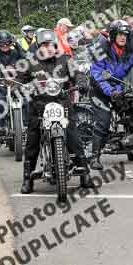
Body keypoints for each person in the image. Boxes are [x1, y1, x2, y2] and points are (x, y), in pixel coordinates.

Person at [17, 29, 88, 194]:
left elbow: (78, 74)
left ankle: (85, 174)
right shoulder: (30, 62)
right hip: (39, 106)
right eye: (44, 45)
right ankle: (27, 178)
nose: (48, 48)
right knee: (32, 140)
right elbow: (19, 79)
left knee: (73, 136)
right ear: (38, 47)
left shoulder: (65, 59)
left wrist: (82, 82)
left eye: (51, 45)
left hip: (62, 104)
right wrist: (16, 87)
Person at [88, 21, 133, 170]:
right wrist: (111, 91)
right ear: (113, 36)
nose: (123, 37)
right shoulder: (101, 51)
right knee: (103, 122)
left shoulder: (128, 53)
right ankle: (94, 157)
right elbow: (98, 76)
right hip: (99, 92)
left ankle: (132, 150)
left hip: (118, 90)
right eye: (120, 34)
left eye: (125, 35)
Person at [0, 31, 27, 147]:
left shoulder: (16, 53)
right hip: (1, 84)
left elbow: (26, 59)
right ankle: (0, 129)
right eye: (1, 44)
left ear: (11, 43)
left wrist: (18, 46)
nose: (4, 46)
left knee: (27, 99)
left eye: (7, 43)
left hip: (16, 83)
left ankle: (26, 125)